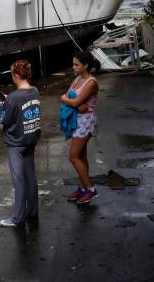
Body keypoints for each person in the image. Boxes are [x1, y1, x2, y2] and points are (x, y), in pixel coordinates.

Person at [0, 60, 41, 227]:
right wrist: (10, 102)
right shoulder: (34, 90)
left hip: (16, 143)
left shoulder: (14, 97)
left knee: (19, 180)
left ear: (16, 75)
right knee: (30, 177)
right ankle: (32, 211)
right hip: (31, 138)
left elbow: (6, 121)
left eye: (12, 74)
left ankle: (18, 218)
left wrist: (3, 106)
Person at [61, 51, 100, 204]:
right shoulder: (78, 79)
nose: (73, 67)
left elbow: (74, 101)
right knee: (81, 157)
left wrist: (70, 101)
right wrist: (69, 100)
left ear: (86, 65)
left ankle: (90, 189)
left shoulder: (91, 82)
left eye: (77, 65)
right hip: (78, 120)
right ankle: (83, 188)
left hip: (86, 121)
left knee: (73, 156)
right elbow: (65, 96)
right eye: (73, 64)